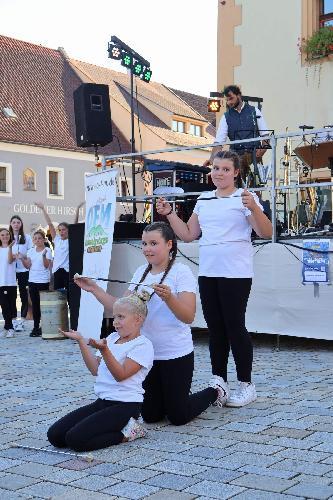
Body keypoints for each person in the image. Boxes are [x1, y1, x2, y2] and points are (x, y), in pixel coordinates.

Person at [75, 222, 226, 426]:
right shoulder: (140, 273)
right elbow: (120, 308)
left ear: (169, 244)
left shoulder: (181, 272)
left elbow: (188, 316)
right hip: (146, 355)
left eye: (154, 243)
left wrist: (170, 298)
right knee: (152, 416)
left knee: (178, 416)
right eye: (144, 243)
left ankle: (215, 390)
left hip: (175, 353)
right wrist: (94, 290)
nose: (147, 248)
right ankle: (172, 398)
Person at [157, 150, 273, 407]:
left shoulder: (245, 197)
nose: (218, 173)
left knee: (234, 326)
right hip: (209, 273)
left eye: (224, 169)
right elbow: (188, 234)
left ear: (236, 172)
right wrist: (169, 214)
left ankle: (246, 384)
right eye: (215, 168)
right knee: (215, 329)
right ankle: (219, 380)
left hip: (236, 273)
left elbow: (265, 232)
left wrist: (254, 207)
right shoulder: (204, 199)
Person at [47, 294, 154, 451]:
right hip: (103, 402)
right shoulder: (111, 338)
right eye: (114, 316)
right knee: (55, 436)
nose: (115, 322)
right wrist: (81, 341)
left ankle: (129, 433)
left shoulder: (143, 345)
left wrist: (104, 350)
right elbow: (95, 370)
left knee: (76, 440)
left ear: (138, 319)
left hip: (126, 405)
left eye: (121, 317)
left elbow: (121, 375)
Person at [204, 85, 269, 184]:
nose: (229, 102)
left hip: (254, 157)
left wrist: (263, 148)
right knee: (236, 190)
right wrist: (212, 159)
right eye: (227, 100)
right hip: (236, 158)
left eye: (231, 98)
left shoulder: (255, 111)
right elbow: (219, 142)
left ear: (238, 95)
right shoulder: (225, 117)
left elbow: (265, 135)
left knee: (255, 190)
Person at [34, 202, 83, 295]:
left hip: (68, 271)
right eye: (60, 230)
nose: (61, 232)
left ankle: (71, 310)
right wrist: (43, 209)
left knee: (69, 295)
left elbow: (75, 224)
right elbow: (50, 224)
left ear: (68, 230)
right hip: (57, 271)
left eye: (64, 229)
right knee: (58, 295)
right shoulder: (56, 239)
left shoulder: (71, 239)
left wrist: (77, 209)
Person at [19, 230, 53, 337]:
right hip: (32, 281)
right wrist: (22, 259)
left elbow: (47, 265)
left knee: (43, 305)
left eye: (39, 238)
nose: (37, 240)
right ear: (33, 240)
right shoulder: (30, 251)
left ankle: (45, 326)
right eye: (35, 238)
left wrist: (43, 256)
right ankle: (35, 327)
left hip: (43, 281)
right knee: (35, 305)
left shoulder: (47, 250)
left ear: (43, 239)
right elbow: (28, 266)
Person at [8, 215, 33, 331]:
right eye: (14, 222)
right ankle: (13, 320)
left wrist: (22, 256)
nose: (16, 224)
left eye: (18, 222)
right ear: (11, 224)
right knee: (11, 296)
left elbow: (31, 253)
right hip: (10, 270)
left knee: (24, 295)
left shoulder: (27, 238)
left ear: (21, 224)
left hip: (23, 270)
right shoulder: (7, 237)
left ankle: (22, 320)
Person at [0, 228, 17, 338]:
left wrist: (10, 248)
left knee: (11, 306)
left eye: (7, 234)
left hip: (10, 282)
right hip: (0, 282)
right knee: (4, 306)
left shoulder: (14, 247)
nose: (5, 236)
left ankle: (7, 327)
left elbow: (10, 261)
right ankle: (9, 328)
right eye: (2, 235)